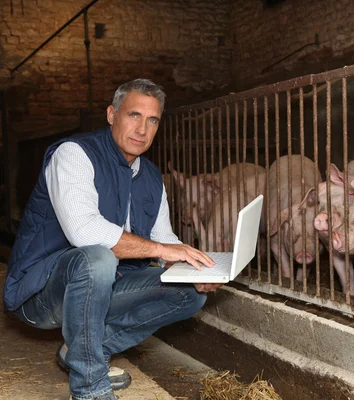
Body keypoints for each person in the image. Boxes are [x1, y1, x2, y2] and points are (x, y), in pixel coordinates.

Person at [3, 78, 221, 400]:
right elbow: (84, 232)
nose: (142, 129)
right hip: (42, 293)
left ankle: (86, 351)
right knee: (98, 257)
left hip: (108, 285)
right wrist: (161, 249)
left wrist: (199, 268)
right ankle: (90, 388)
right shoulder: (74, 154)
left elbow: (163, 238)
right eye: (134, 115)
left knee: (190, 294)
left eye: (152, 120)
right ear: (111, 114)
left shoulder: (151, 178)